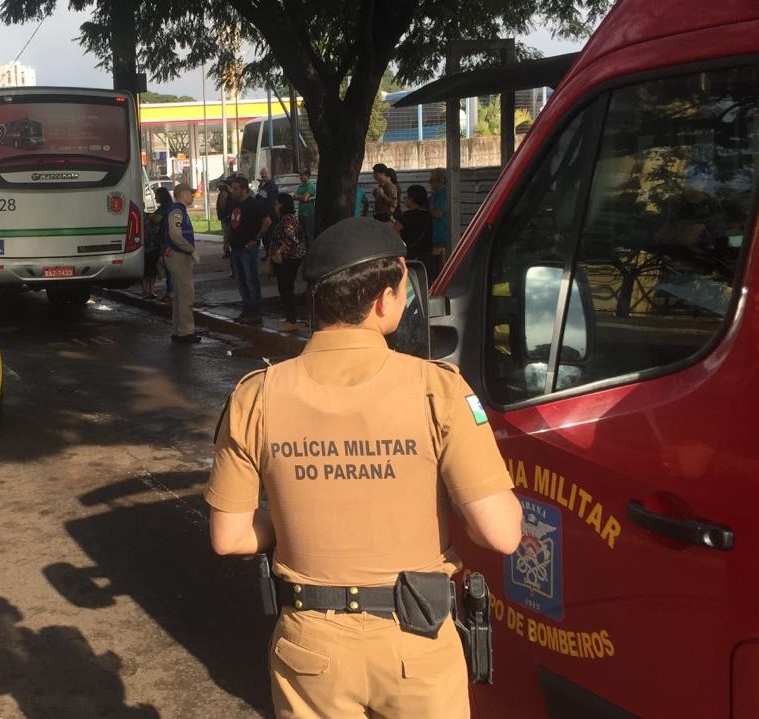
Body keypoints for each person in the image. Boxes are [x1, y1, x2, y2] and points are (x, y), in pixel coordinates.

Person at [206, 217, 522, 718]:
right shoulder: (438, 389)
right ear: (383, 300)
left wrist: (296, 515)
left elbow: (230, 536)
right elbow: (501, 532)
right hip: (416, 647)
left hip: (309, 651)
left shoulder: (255, 395)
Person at [227, 176, 271, 325]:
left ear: (244, 189)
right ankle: (247, 309)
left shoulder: (253, 204)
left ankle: (255, 311)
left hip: (248, 247)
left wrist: (256, 238)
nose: (233, 191)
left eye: (236, 189)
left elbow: (266, 221)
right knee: (241, 282)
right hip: (236, 247)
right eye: (232, 188)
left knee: (251, 280)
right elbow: (231, 224)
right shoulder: (233, 203)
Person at [163, 184, 201, 343]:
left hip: (177, 255)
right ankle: (186, 331)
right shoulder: (177, 211)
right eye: (190, 194)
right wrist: (191, 250)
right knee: (186, 294)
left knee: (180, 295)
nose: (192, 196)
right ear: (182, 194)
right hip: (179, 256)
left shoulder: (179, 210)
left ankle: (179, 330)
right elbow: (176, 235)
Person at [268, 193, 306, 333]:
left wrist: (279, 251)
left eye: (277, 203)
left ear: (282, 204)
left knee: (286, 289)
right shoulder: (288, 219)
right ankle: (290, 318)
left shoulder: (287, 220)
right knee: (285, 288)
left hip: (288, 259)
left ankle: (291, 320)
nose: (275, 206)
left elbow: (291, 239)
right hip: (289, 258)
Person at [397, 184, 437, 276]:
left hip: (411, 254)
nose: (405, 200)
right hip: (427, 255)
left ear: (411, 199)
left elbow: (395, 229)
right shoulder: (428, 215)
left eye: (406, 197)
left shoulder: (408, 215)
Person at [142, 187, 174, 300]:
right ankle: (170, 290)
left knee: (168, 266)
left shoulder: (164, 208)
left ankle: (170, 292)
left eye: (157, 195)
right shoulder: (171, 206)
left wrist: (149, 216)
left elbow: (156, 219)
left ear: (162, 196)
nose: (155, 197)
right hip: (171, 237)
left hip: (165, 239)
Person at [428, 168, 450, 270]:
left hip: (442, 236)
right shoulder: (433, 196)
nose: (431, 184)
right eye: (430, 181)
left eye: (434, 181)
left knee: (442, 267)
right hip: (433, 237)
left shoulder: (445, 195)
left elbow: (437, 213)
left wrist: (429, 208)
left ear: (442, 181)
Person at [257, 168, 280, 252]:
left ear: (269, 174)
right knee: (265, 236)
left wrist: (267, 214)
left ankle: (271, 254)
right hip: (264, 214)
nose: (263, 175)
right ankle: (268, 254)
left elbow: (271, 201)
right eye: (262, 174)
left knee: (269, 236)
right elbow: (261, 198)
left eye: (265, 173)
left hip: (270, 215)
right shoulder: (264, 185)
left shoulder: (271, 186)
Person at [294, 169, 316, 242]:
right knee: (301, 234)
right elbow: (294, 197)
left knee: (308, 234)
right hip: (301, 214)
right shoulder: (300, 187)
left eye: (302, 175)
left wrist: (299, 197)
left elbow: (305, 199)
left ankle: (311, 252)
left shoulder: (310, 186)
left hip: (308, 214)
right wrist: (302, 197)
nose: (300, 177)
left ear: (307, 176)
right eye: (300, 175)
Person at [216, 178, 235, 261]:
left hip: (226, 218)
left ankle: (227, 250)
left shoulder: (224, 194)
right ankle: (227, 250)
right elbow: (222, 207)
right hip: (226, 218)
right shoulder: (225, 194)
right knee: (227, 235)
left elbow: (221, 207)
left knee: (227, 235)